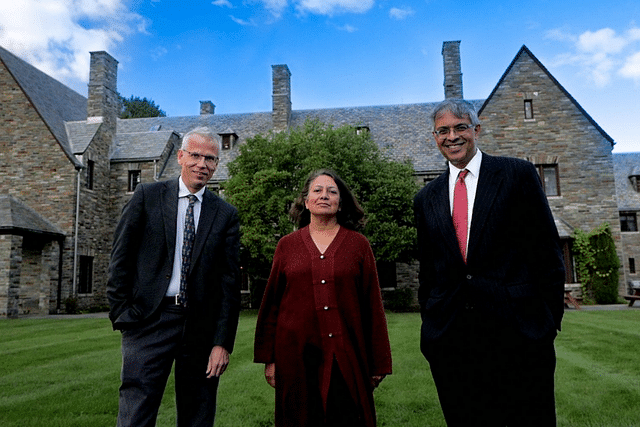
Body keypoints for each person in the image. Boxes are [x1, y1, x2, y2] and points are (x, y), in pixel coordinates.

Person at [413, 99, 565, 426]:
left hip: (519, 334)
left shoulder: (516, 175)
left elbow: (547, 252)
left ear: (476, 130)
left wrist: (547, 323)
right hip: (452, 340)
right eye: (443, 130)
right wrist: (432, 324)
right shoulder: (426, 198)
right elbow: (429, 270)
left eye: (460, 127)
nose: (452, 136)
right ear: (435, 137)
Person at [107, 126, 241, 427]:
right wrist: (123, 314)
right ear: (181, 156)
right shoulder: (147, 196)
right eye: (195, 155)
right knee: (135, 414)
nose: (202, 164)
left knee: (198, 416)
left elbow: (228, 285)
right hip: (149, 320)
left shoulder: (225, 215)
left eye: (210, 159)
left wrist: (222, 343)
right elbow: (120, 259)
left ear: (217, 164)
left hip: (201, 327)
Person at [254, 169, 392, 427]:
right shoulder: (287, 245)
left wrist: (378, 363)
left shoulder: (358, 245)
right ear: (306, 201)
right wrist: (269, 359)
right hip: (295, 358)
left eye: (332, 191)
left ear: (341, 203)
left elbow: (372, 306)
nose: (324, 196)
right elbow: (271, 304)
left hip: (345, 356)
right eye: (317, 190)